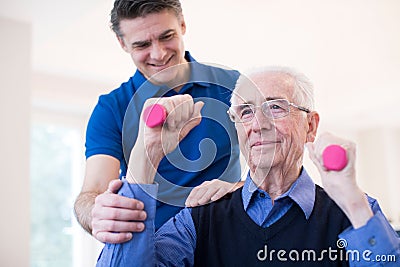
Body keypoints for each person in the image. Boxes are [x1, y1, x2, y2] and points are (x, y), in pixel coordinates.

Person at [96, 66, 400, 266]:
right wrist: (145, 155)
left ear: (311, 125)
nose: (258, 125)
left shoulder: (355, 214)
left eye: (275, 107)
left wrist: (350, 200)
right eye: (245, 112)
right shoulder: (200, 217)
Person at [73, 0, 244, 244]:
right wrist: (98, 212)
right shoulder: (112, 109)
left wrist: (239, 188)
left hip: (229, 244)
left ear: (182, 24)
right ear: (122, 43)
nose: (159, 53)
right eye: (142, 44)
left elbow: (272, 169)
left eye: (167, 36)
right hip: (155, 251)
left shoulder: (234, 86)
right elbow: (93, 192)